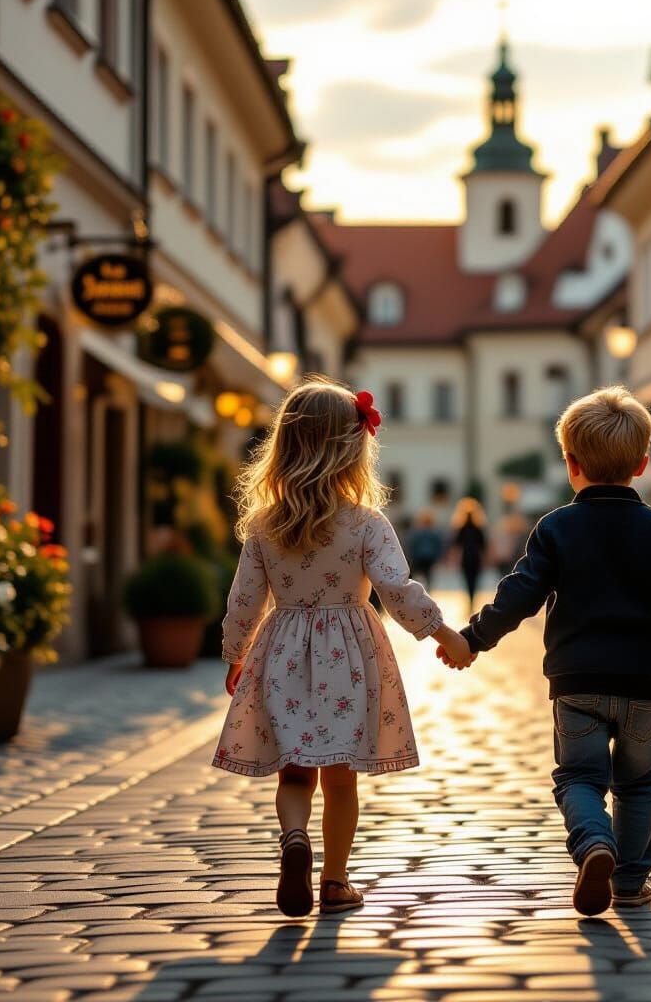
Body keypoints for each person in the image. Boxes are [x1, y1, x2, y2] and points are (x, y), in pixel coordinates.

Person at [442, 386, 651, 917]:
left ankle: (594, 845)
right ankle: (631, 884)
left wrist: (473, 639)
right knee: (638, 784)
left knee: (579, 778)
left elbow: (519, 594)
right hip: (644, 684)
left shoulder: (557, 528)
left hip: (578, 683)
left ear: (571, 463)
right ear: (641, 463)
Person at [213, 379, 473, 918]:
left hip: (282, 652)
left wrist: (236, 652)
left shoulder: (265, 524)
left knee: (294, 772)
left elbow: (244, 600)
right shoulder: (365, 523)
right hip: (347, 659)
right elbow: (396, 590)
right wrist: (444, 634)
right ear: (353, 450)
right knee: (339, 778)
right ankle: (334, 880)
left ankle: (293, 840)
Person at [450, 496, 487, 612]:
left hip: (466, 558)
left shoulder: (461, 528)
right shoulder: (478, 528)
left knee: (467, 581)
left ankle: (470, 602)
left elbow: (456, 545)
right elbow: (484, 546)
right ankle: (472, 602)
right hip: (476, 558)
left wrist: (453, 559)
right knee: (475, 582)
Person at [407, 508, 444, 587]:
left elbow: (412, 544)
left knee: (418, 575)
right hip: (429, 557)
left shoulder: (418, 532)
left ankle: (420, 589)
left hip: (419, 557)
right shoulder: (434, 532)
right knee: (428, 576)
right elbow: (439, 546)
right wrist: (438, 556)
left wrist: (412, 555)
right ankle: (426, 589)